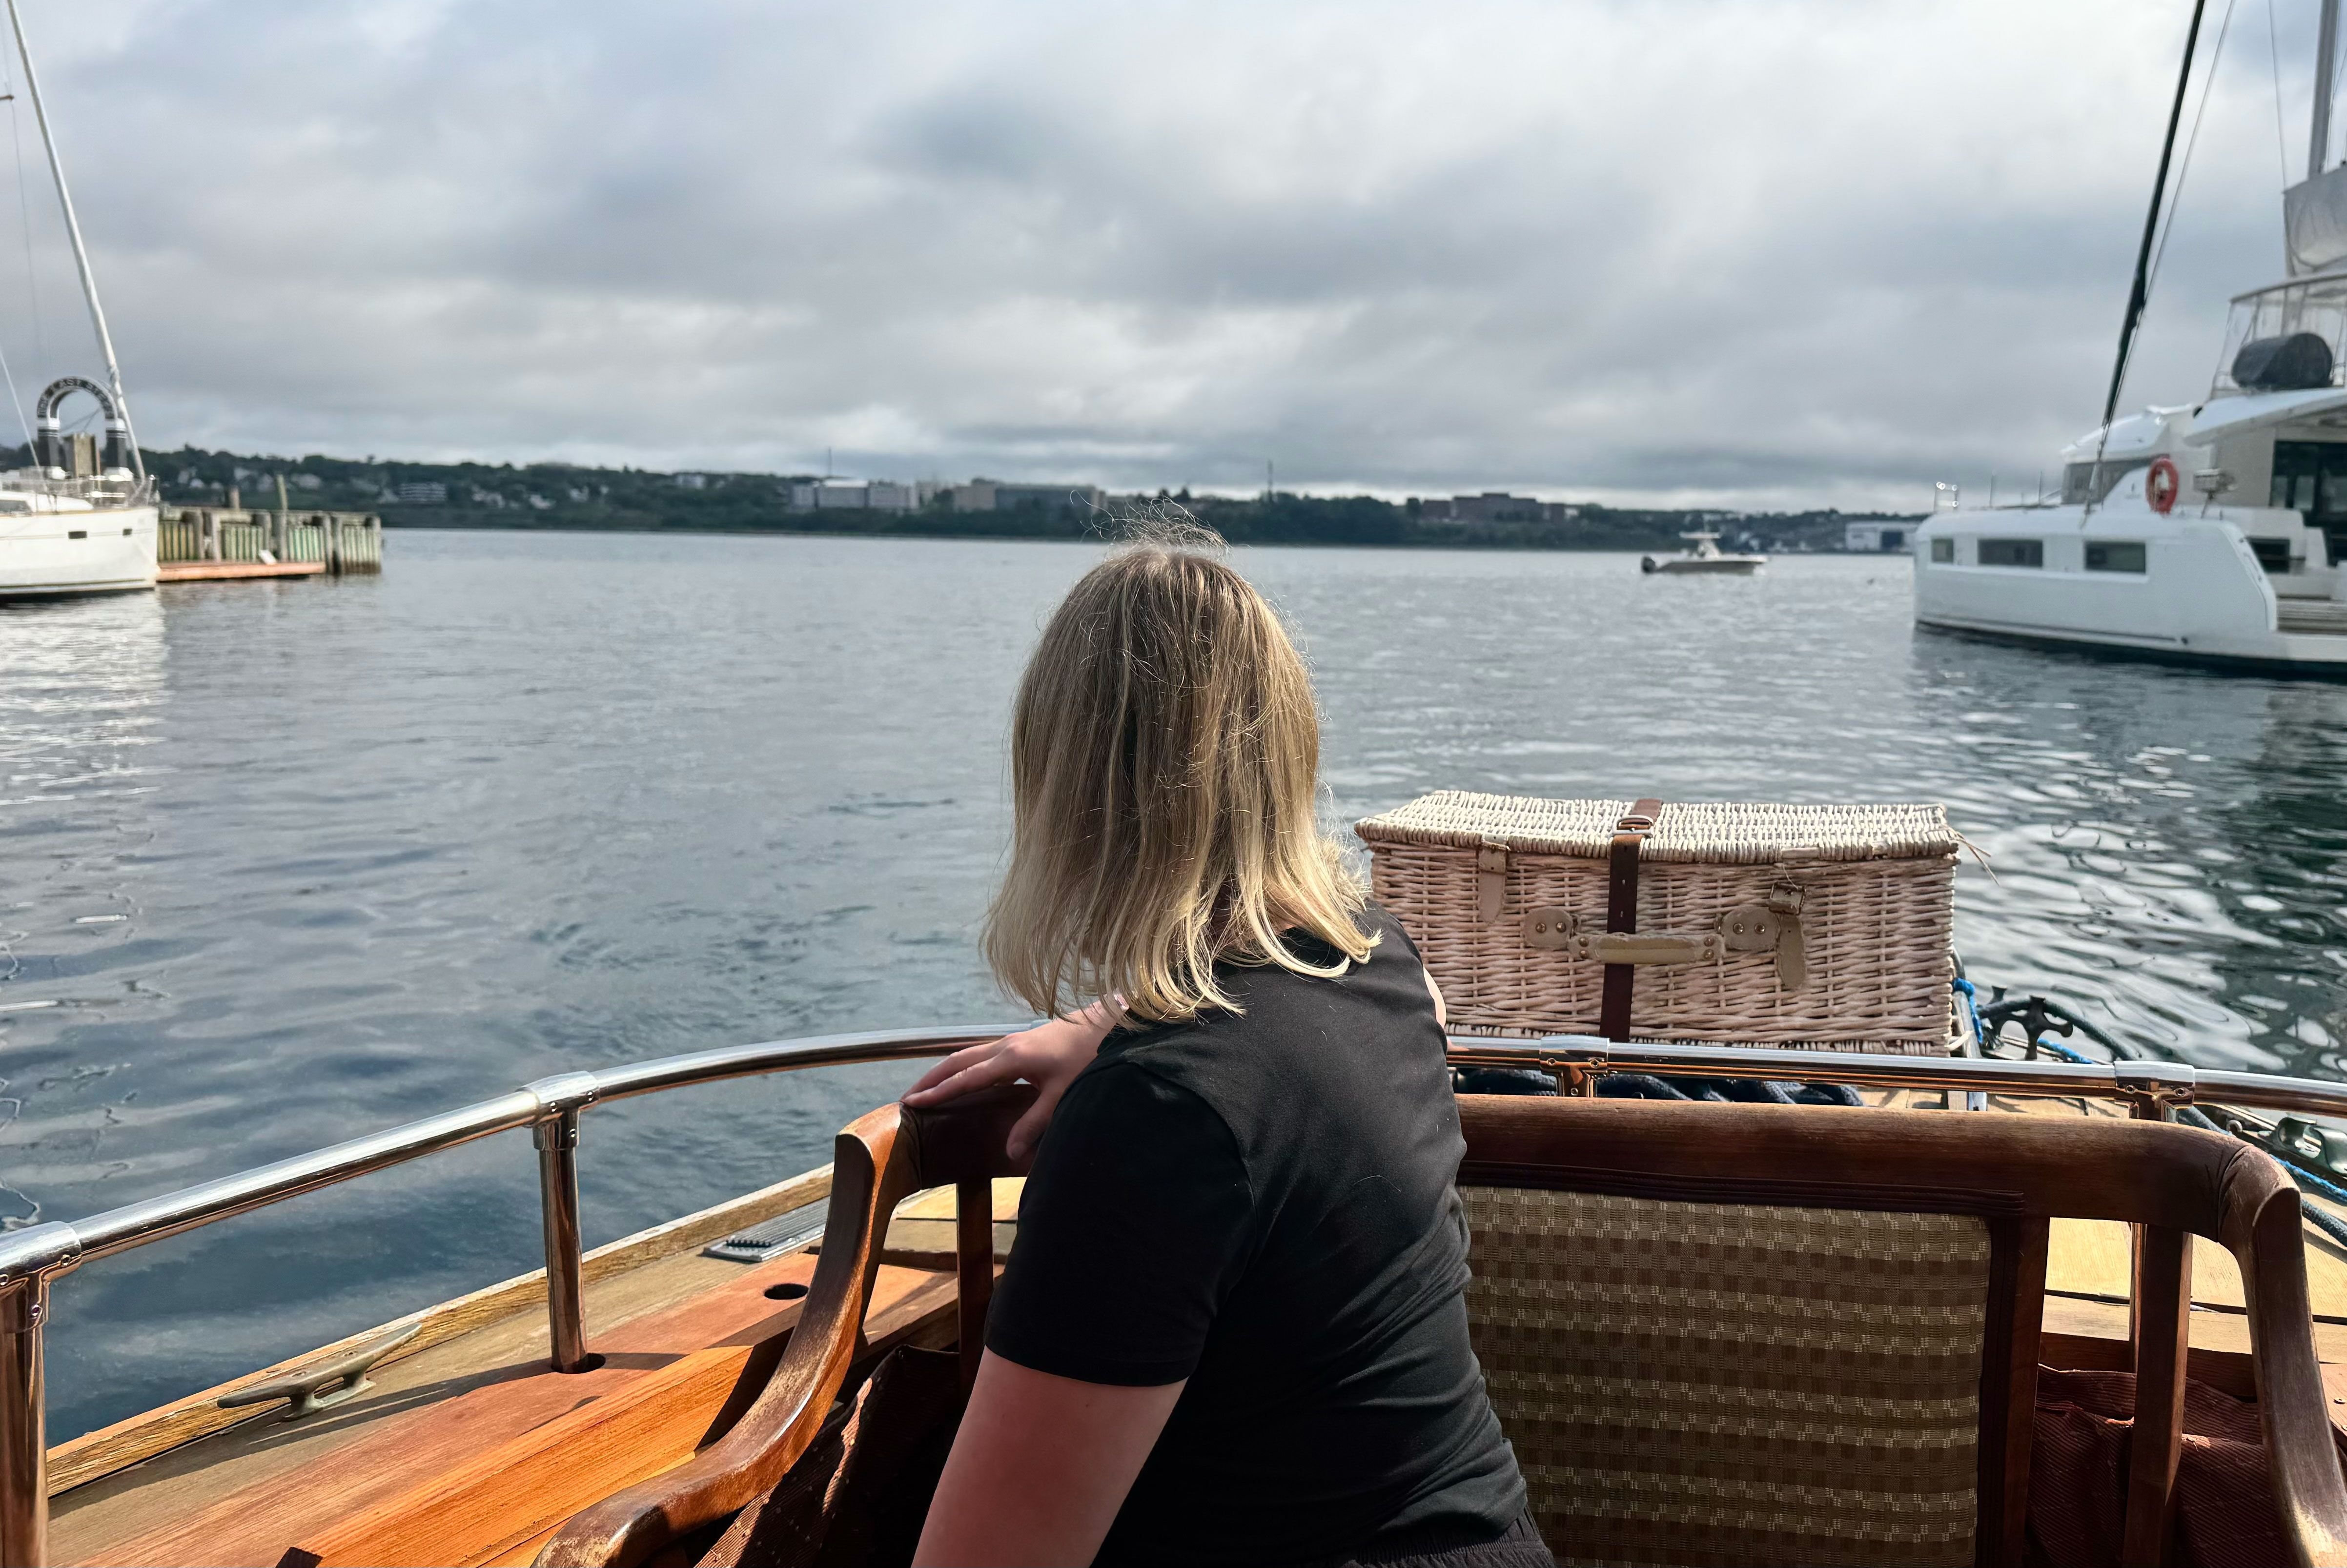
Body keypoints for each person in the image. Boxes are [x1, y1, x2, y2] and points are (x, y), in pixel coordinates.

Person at [904, 528, 1548, 1568]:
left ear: (1069, 788)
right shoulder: (1379, 967)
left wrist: (1127, 1040)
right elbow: (1282, 1035)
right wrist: (1114, 1019)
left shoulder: (1163, 1114)